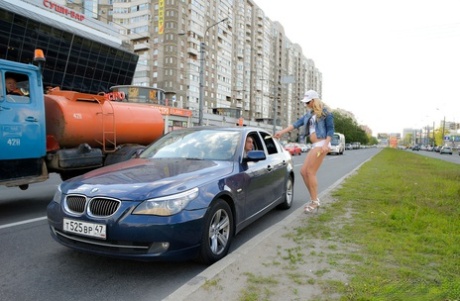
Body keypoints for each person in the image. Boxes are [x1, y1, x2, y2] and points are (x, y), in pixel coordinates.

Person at [274, 90, 334, 213]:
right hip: (315, 145)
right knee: (303, 171)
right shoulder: (309, 115)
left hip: (322, 144)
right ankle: (314, 199)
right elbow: (296, 124)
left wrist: (326, 145)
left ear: (313, 101)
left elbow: (330, 130)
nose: (306, 104)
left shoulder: (326, 112)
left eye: (307, 102)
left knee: (310, 172)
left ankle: (315, 201)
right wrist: (281, 132)